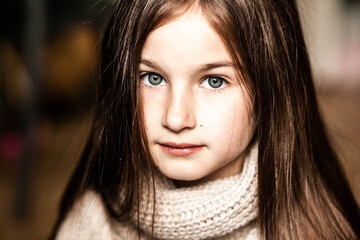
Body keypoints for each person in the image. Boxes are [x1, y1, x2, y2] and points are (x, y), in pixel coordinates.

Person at [50, 0, 360, 239]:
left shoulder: (312, 229)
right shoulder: (90, 223)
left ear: (271, 90)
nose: (175, 118)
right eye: (153, 78)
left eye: (214, 81)